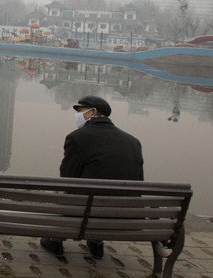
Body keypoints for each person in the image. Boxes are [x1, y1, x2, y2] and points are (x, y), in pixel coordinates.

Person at [40, 94, 143, 260]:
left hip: (87, 212)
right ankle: (96, 242)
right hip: (124, 215)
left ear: (92, 112)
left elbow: (67, 178)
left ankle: (55, 241)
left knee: (61, 191)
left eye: (80, 110)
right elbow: (138, 181)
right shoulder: (133, 141)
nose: (77, 115)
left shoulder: (78, 137)